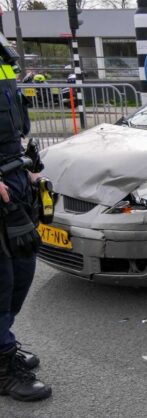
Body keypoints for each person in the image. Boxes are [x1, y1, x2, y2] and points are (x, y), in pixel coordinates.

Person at [0, 33, 51, 402]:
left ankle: (4, 341)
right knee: (1, 281)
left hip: (14, 178)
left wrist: (26, 169)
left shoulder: (3, 55)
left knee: (22, 269)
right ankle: (2, 368)